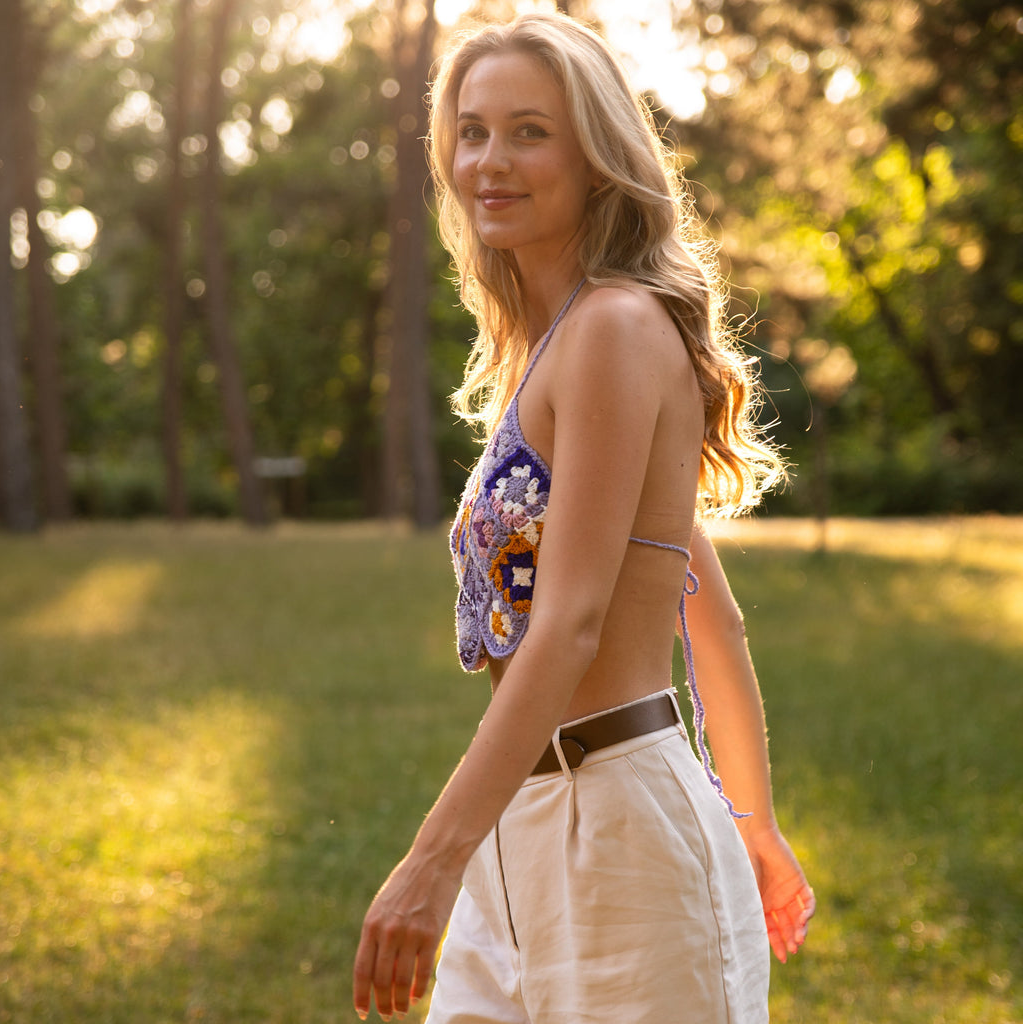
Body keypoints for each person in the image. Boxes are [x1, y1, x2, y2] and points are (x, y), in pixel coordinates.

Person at [353, 11, 814, 1023]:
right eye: (471, 132)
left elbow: (571, 623)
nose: (489, 160)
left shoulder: (612, 326)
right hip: (526, 815)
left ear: (597, 155)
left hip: (619, 837)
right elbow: (711, 613)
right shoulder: (559, 344)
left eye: (530, 131)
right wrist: (756, 823)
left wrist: (429, 861)